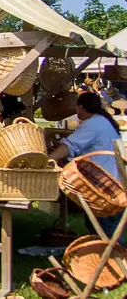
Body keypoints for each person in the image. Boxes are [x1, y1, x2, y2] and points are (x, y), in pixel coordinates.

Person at [48, 92, 124, 244]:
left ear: (81, 107)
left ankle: (115, 259)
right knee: (97, 224)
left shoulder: (93, 124)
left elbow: (69, 147)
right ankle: (104, 255)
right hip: (111, 180)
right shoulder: (101, 121)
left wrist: (48, 160)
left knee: (107, 229)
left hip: (105, 184)